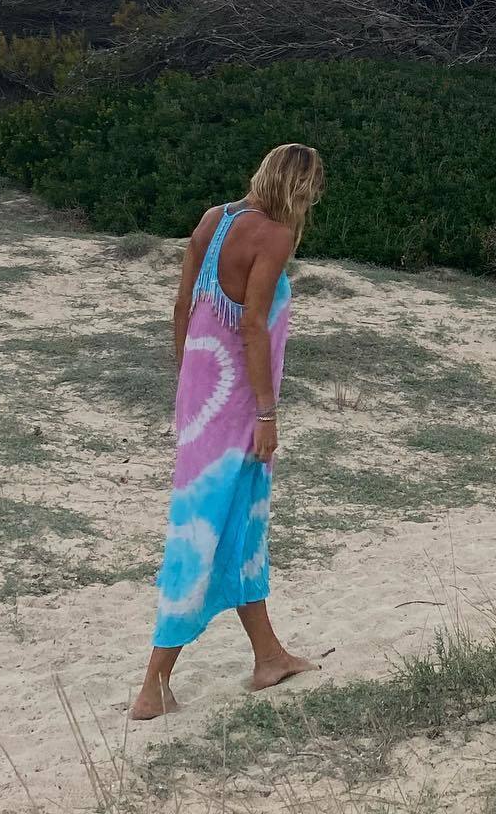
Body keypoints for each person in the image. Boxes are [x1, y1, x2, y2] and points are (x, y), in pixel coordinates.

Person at [130, 143, 326, 720]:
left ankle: (269, 657)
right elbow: (253, 325)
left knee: (241, 525)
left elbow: (183, 306)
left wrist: (188, 380)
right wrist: (266, 413)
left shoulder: (214, 220)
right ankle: (153, 686)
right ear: (298, 187)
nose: (312, 200)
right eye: (312, 189)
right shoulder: (273, 235)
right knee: (203, 531)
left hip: (201, 395)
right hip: (238, 403)